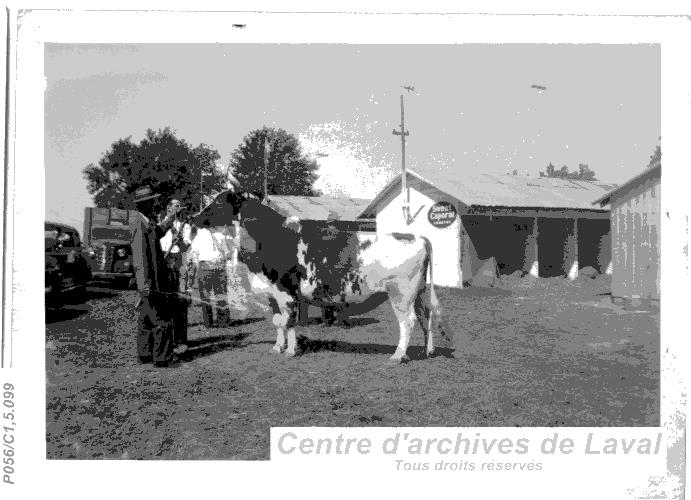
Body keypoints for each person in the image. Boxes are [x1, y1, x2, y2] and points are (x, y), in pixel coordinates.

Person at [130, 187, 181, 367]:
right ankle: (162, 358)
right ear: (145, 203)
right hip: (151, 281)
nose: (156, 203)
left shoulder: (145, 221)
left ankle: (145, 353)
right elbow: (139, 258)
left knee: (145, 317)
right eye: (152, 200)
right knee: (161, 318)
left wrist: (170, 219)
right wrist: (145, 286)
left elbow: (157, 233)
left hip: (150, 280)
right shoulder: (139, 224)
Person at [158, 199, 193, 353]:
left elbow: (188, 246)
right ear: (168, 208)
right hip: (163, 263)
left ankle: (180, 340)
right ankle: (167, 340)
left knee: (180, 302)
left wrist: (179, 243)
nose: (179, 208)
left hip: (178, 263)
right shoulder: (160, 224)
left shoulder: (184, 226)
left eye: (180, 206)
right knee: (165, 303)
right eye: (176, 206)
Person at [189, 220, 231, 327]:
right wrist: (199, 266)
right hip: (205, 266)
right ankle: (208, 322)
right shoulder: (199, 235)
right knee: (205, 296)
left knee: (221, 294)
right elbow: (194, 252)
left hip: (219, 267)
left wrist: (224, 259)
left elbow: (226, 252)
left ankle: (223, 321)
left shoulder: (220, 235)